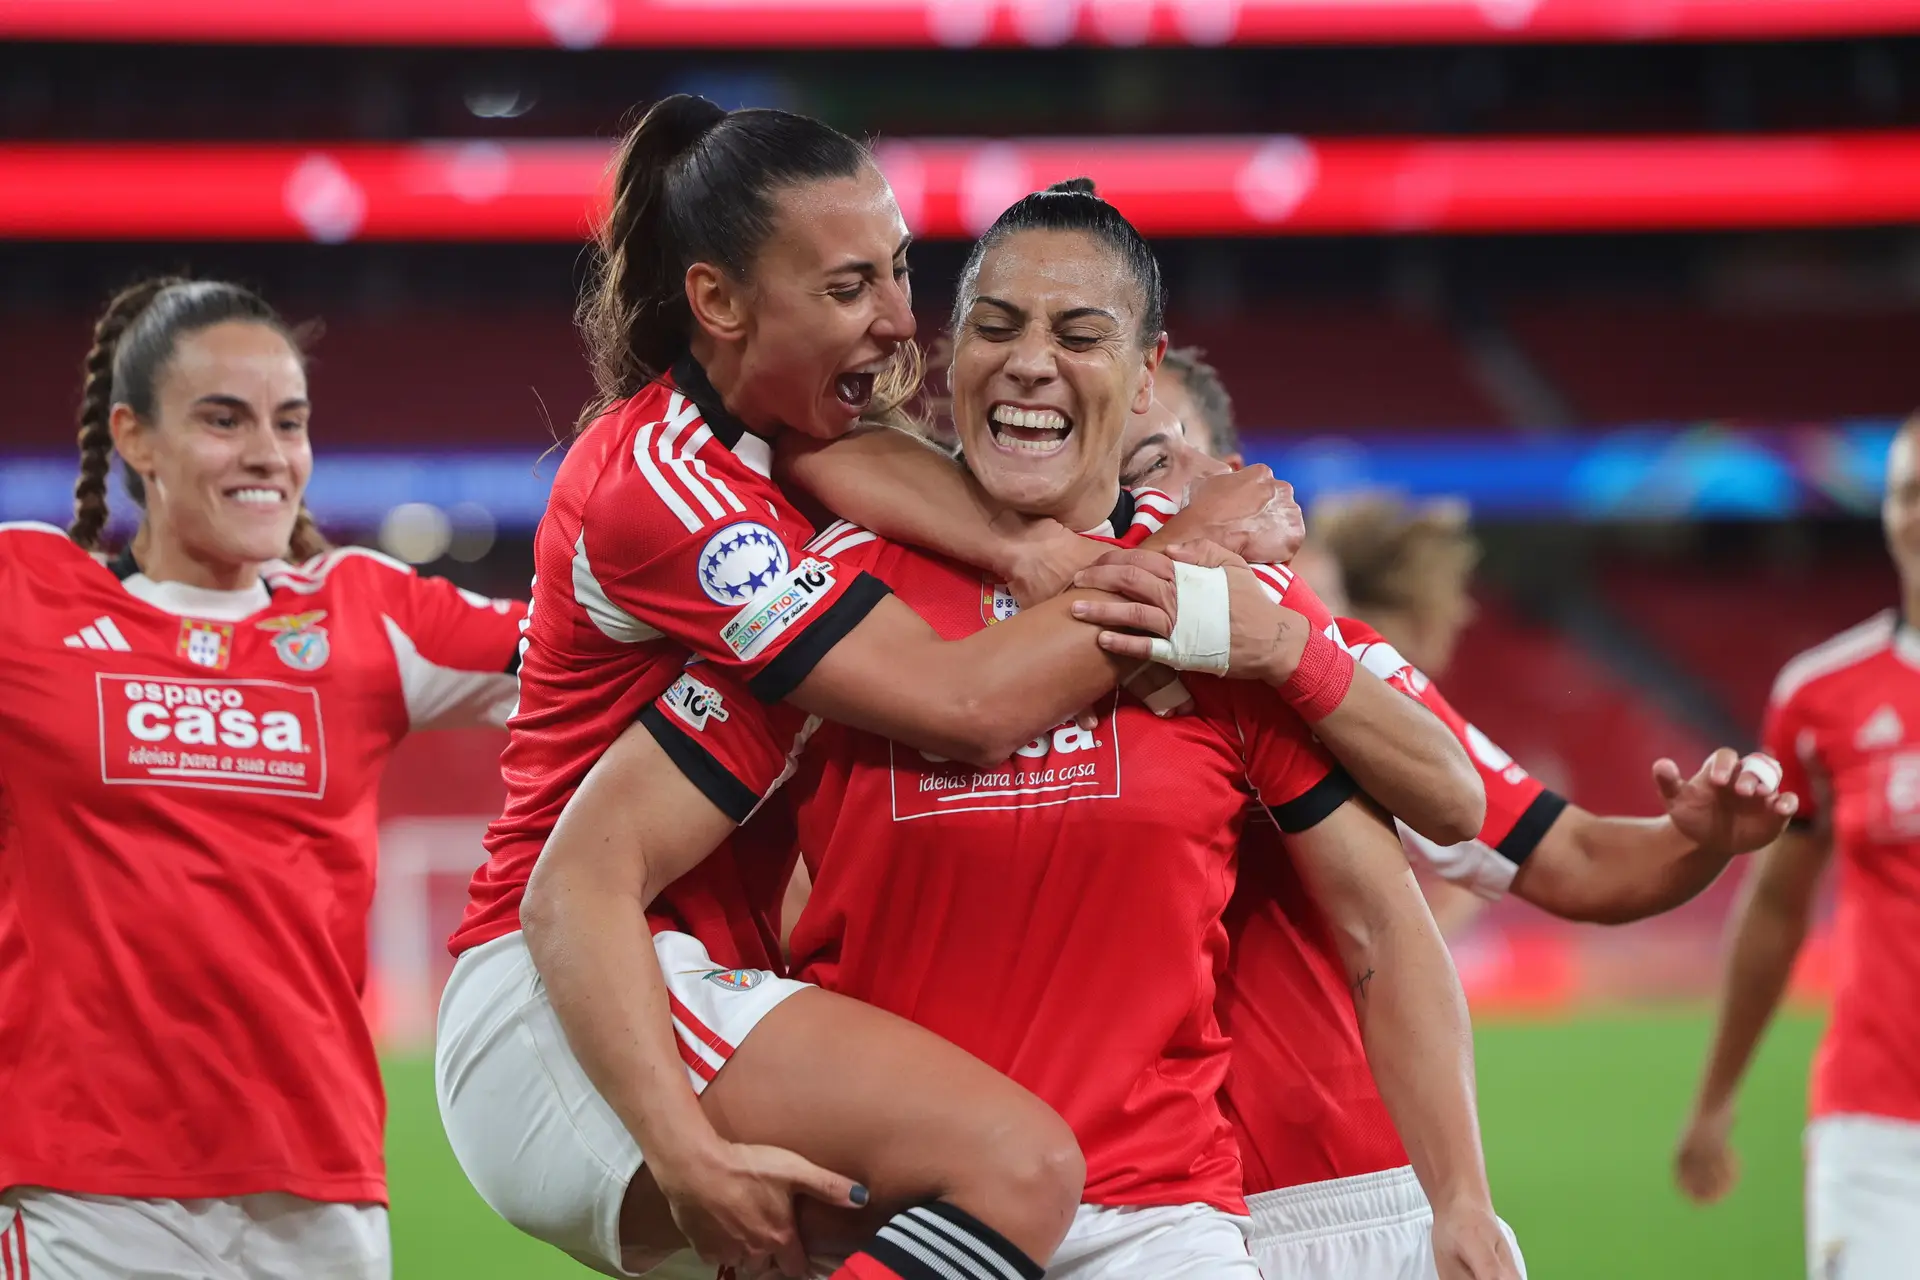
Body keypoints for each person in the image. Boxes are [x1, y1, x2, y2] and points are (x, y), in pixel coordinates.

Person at [436, 101, 1295, 1280]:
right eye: (849, 288)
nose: (901, 318)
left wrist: (1035, 551)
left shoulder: (789, 441)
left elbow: (898, 470)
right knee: (1015, 1169)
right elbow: (962, 701)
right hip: (574, 989)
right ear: (721, 303)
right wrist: (1187, 564)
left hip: (677, 965)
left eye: (898, 268)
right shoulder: (667, 486)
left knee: (949, 1243)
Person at [601, 179, 1516, 1279]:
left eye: (1080, 335)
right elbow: (602, 859)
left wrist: (1459, 1201)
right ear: (951, 357)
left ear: (1144, 376)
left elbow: (1384, 922)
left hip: (1158, 1227)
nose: (1031, 360)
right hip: (912, 1225)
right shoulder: (835, 607)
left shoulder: (1225, 613)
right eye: (997, 326)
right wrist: (679, 1143)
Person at [1103, 383, 1796, 1279]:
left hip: (1338, 1190)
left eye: (1189, 455)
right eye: (1149, 467)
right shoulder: (1014, 677)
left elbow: (1572, 857)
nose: (1199, 483)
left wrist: (1701, 840)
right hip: (1124, 1207)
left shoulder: (1332, 667)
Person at [0, 277, 525, 1279]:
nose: (266, 455)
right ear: (135, 439)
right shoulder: (25, 601)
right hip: (85, 1193)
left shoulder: (365, 615)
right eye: (222, 419)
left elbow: (595, 658)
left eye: (290, 422)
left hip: (319, 1197)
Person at [1676, 416, 1920, 1280]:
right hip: (1876, 1125)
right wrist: (1715, 1100)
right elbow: (1776, 908)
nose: (1918, 513)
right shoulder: (1820, 696)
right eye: (1905, 493)